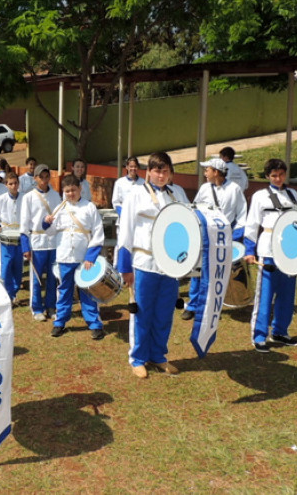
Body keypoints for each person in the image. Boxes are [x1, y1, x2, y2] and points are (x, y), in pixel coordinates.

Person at [116, 152, 189, 378]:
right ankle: (137, 358)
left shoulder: (178, 194)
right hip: (144, 262)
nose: (161, 175)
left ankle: (158, 355)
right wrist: (125, 267)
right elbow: (125, 231)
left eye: (165, 171)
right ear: (148, 172)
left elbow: (188, 226)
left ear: (170, 173)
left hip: (170, 265)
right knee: (142, 312)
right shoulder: (136, 194)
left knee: (164, 313)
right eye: (157, 171)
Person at [243, 158, 297, 353]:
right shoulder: (260, 196)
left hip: (291, 252)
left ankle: (280, 331)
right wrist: (249, 251)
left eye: (281, 174)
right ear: (267, 176)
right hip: (268, 250)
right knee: (265, 296)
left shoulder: (293, 195)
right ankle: (259, 336)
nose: (278, 178)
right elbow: (252, 223)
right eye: (274, 175)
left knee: (287, 294)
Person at [182, 157, 248, 320]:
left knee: (216, 273)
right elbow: (195, 209)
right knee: (198, 270)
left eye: (207, 169)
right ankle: (193, 305)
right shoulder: (204, 188)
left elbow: (242, 214)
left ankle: (212, 306)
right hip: (204, 235)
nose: (205, 173)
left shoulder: (234, 189)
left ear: (216, 172)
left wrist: (235, 235)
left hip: (223, 237)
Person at [43, 174, 106, 340]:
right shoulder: (59, 208)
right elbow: (50, 232)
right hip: (65, 255)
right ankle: (60, 322)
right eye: (67, 191)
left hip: (83, 256)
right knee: (64, 289)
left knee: (87, 290)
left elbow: (98, 233)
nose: (71, 193)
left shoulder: (89, 207)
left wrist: (90, 256)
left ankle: (94, 323)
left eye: (73, 190)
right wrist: (47, 222)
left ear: (80, 189)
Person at [19, 164, 61, 322]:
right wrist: (25, 247)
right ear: (35, 178)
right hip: (37, 241)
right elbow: (24, 224)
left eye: (46, 176)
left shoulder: (56, 196)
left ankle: (51, 305)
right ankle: (36, 307)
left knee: (53, 276)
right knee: (36, 277)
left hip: (54, 241)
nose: (43, 180)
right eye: (40, 177)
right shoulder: (28, 197)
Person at [0, 172, 24, 304]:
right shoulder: (1, 199)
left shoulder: (25, 198)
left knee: (18, 269)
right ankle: (7, 294)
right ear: (6, 185)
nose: (13, 186)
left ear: (18, 184)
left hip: (20, 239)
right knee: (5, 268)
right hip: (6, 240)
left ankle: (13, 291)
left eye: (15, 183)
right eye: (10, 184)